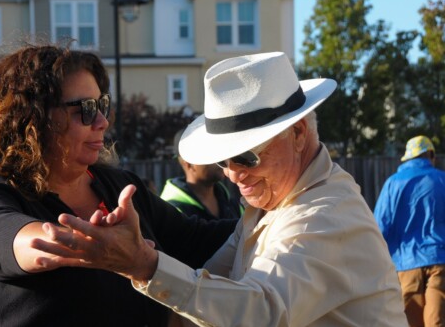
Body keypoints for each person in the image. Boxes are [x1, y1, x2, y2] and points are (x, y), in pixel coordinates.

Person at [37, 51, 408, 326]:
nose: (232, 174)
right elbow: (212, 288)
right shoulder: (273, 204)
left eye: (245, 157)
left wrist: (142, 264)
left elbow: (260, 311)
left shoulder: (324, 214)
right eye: (223, 161)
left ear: (298, 134)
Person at [0, 43, 236, 327]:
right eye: (86, 109)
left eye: (102, 105)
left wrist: (277, 211)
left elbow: (200, 241)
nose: (102, 122)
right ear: (32, 118)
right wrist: (85, 245)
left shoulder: (119, 186)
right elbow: (9, 239)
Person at [374, 135, 445, 326]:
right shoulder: (442, 180)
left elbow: (379, 228)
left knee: (408, 322)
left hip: (405, 266)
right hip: (440, 262)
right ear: (430, 155)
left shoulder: (392, 184)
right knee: (436, 321)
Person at [160, 128, 242, 221]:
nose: (221, 159)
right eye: (211, 154)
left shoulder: (230, 201)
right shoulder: (173, 211)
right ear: (189, 164)